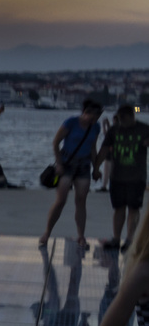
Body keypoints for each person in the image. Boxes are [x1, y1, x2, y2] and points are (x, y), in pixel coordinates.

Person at [40, 99, 104, 249]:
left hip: (84, 165)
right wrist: (59, 164)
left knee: (81, 201)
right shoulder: (71, 123)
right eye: (95, 116)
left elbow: (93, 148)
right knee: (61, 200)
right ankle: (47, 232)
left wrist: (96, 168)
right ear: (86, 113)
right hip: (67, 163)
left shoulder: (95, 127)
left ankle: (81, 236)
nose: (96, 120)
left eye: (98, 117)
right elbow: (56, 142)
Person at [98, 104, 148, 251]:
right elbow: (104, 149)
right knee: (118, 208)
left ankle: (130, 239)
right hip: (117, 177)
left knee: (134, 208)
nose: (123, 124)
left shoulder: (144, 129)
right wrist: (96, 168)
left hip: (137, 177)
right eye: (120, 121)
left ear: (133, 117)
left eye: (125, 121)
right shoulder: (114, 130)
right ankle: (116, 238)